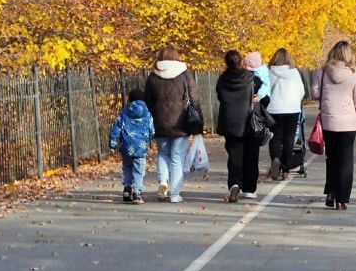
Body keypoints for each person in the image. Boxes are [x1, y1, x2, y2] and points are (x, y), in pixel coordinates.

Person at [317, 41, 356, 210]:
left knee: (331, 158)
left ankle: (331, 192)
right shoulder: (355, 74)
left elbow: (314, 92)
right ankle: (341, 199)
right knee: (346, 160)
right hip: (348, 124)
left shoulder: (322, 71)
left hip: (329, 122)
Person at [144, 46, 202, 204]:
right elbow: (194, 99)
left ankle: (163, 182)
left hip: (160, 122)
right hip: (181, 123)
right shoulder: (184, 74)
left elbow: (147, 101)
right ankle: (175, 194)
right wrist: (199, 121)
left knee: (163, 154)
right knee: (177, 157)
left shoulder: (153, 76)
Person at [216, 50, 260, 203]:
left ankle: (234, 183)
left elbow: (220, 96)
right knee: (251, 155)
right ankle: (249, 189)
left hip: (230, 122)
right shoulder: (251, 78)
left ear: (226, 62)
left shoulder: (222, 79)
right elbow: (261, 94)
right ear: (241, 61)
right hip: (249, 121)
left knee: (234, 155)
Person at [108, 88, 155, 204]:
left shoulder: (123, 113)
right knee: (139, 170)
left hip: (126, 146)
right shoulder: (147, 114)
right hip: (140, 148)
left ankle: (127, 189)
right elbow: (152, 131)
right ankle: (137, 192)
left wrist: (113, 143)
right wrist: (148, 138)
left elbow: (116, 129)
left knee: (127, 168)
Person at [266, 48, 306, 181]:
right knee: (289, 139)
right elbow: (301, 91)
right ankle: (286, 170)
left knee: (275, 137)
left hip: (274, 109)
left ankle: (275, 158)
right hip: (291, 109)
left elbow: (265, 91)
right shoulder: (294, 72)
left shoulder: (269, 72)